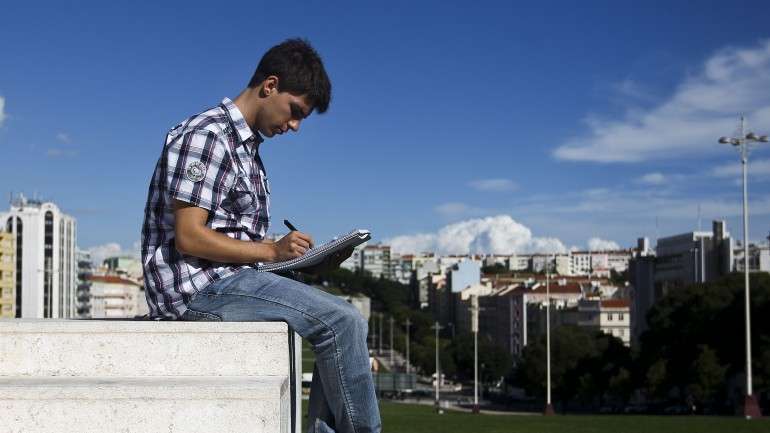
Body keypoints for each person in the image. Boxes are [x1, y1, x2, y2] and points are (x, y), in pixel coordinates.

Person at [140, 38, 381, 433]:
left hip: (226, 279)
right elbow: (188, 237)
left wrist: (303, 263)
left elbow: (233, 239)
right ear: (270, 86)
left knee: (340, 325)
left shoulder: (247, 151)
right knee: (343, 321)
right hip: (194, 290)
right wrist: (271, 251)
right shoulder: (209, 136)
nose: (295, 126)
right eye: (295, 111)